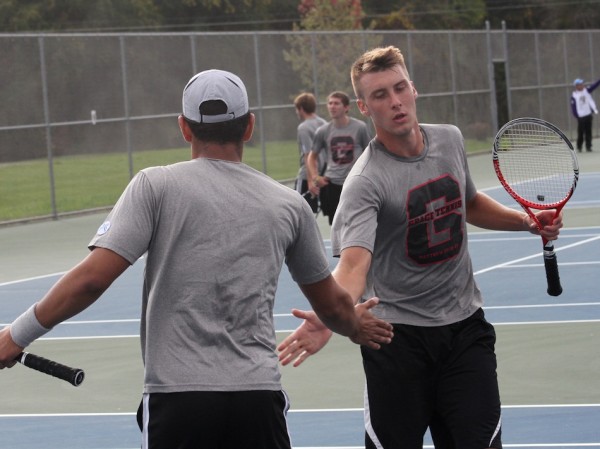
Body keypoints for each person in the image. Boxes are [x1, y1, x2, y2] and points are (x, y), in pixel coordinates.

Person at [0, 69, 393, 449]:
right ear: (249, 127)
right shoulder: (289, 205)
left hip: (178, 401)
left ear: (184, 127)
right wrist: (352, 325)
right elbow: (332, 304)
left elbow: (91, 280)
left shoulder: (154, 185)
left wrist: (15, 336)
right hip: (257, 399)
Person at [278, 46, 564, 449]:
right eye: (380, 95)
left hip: (465, 331)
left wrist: (527, 222)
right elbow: (354, 267)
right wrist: (331, 314)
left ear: (414, 89)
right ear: (364, 106)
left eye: (399, 88)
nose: (394, 102)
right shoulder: (365, 182)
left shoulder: (449, 140)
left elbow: (468, 203)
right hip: (397, 341)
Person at [306, 90, 371, 225]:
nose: (332, 106)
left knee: (358, 222)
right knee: (337, 226)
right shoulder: (323, 131)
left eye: (336, 103)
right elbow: (312, 157)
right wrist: (315, 177)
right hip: (332, 185)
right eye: (330, 103)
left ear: (346, 107)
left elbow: (370, 153)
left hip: (355, 183)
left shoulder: (360, 127)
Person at [293, 92, 327, 213]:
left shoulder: (303, 128)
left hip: (307, 177)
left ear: (301, 109)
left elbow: (308, 155)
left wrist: (310, 181)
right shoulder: (324, 123)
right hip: (323, 175)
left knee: (298, 211)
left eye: (297, 109)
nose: (297, 112)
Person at [570, 77, 600, 152]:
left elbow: (594, 85)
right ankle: (579, 146)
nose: (582, 85)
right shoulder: (574, 95)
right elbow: (573, 106)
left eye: (582, 84)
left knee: (588, 131)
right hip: (581, 117)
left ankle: (588, 146)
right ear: (576, 86)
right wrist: (576, 115)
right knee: (581, 132)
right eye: (580, 84)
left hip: (588, 115)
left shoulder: (586, 91)